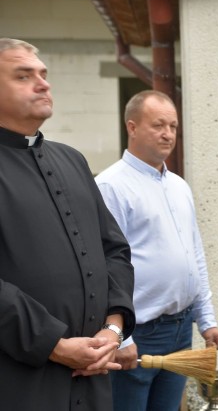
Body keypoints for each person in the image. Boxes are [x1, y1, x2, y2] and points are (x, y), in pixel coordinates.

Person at [0, 38, 135, 410]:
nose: (43, 83)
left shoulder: (72, 160)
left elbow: (115, 250)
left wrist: (113, 330)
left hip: (92, 379)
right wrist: (54, 346)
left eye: (43, 74)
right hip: (19, 383)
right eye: (23, 76)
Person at [95, 90, 218, 411]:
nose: (168, 134)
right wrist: (121, 337)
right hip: (139, 333)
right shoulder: (111, 186)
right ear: (133, 127)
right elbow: (103, 267)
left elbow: (194, 256)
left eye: (173, 126)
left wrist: (206, 320)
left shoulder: (179, 186)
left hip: (181, 330)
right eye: (158, 125)